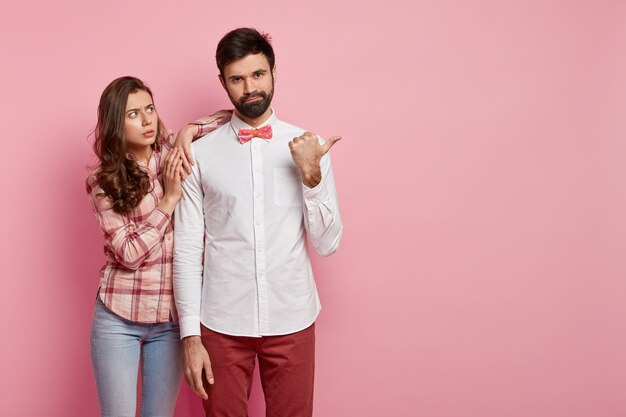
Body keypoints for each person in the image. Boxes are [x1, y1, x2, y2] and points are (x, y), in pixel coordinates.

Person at [173, 27, 343, 417]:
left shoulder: (309, 146)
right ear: (223, 83)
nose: (250, 87)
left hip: (292, 318)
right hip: (220, 323)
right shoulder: (199, 154)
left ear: (274, 73)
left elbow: (328, 244)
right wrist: (190, 338)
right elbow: (185, 251)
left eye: (258, 74)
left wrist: (312, 179)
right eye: (237, 78)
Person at [86, 76, 229, 417]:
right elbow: (130, 254)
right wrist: (169, 201)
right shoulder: (102, 181)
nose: (147, 119)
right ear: (115, 123)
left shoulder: (171, 153)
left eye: (149, 108)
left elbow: (227, 117)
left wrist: (187, 132)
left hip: (170, 320)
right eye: (133, 113)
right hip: (118, 316)